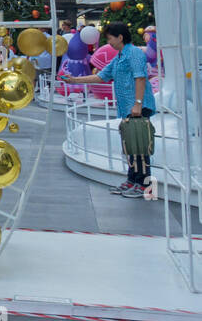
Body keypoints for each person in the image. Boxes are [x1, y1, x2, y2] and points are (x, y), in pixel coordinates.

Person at [60, 21, 157, 198]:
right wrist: (74, 80)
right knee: (130, 144)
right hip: (127, 107)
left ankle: (144, 184)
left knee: (139, 145)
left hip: (138, 107)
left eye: (110, 38)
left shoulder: (134, 54)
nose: (109, 42)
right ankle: (132, 179)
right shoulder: (119, 56)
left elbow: (140, 78)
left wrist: (137, 103)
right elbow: (101, 76)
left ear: (120, 37)